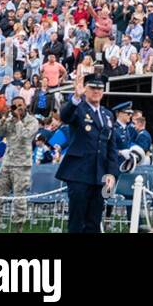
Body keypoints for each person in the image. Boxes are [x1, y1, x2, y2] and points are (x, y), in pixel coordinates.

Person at [56, 73, 121, 233]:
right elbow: (65, 117)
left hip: (100, 174)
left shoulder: (107, 115)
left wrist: (112, 174)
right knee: (77, 220)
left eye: (99, 88)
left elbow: (111, 147)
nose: (96, 91)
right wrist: (75, 98)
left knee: (94, 220)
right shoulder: (78, 108)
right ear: (85, 89)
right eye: (92, 88)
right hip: (79, 173)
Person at [0, 96, 40, 232]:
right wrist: (4, 119)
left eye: (20, 105)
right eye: (15, 106)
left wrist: (17, 120)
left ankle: (18, 228)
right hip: (7, 163)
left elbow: (25, 135)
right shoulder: (9, 120)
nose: (18, 108)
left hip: (22, 165)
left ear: (25, 106)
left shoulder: (32, 121)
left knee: (19, 199)